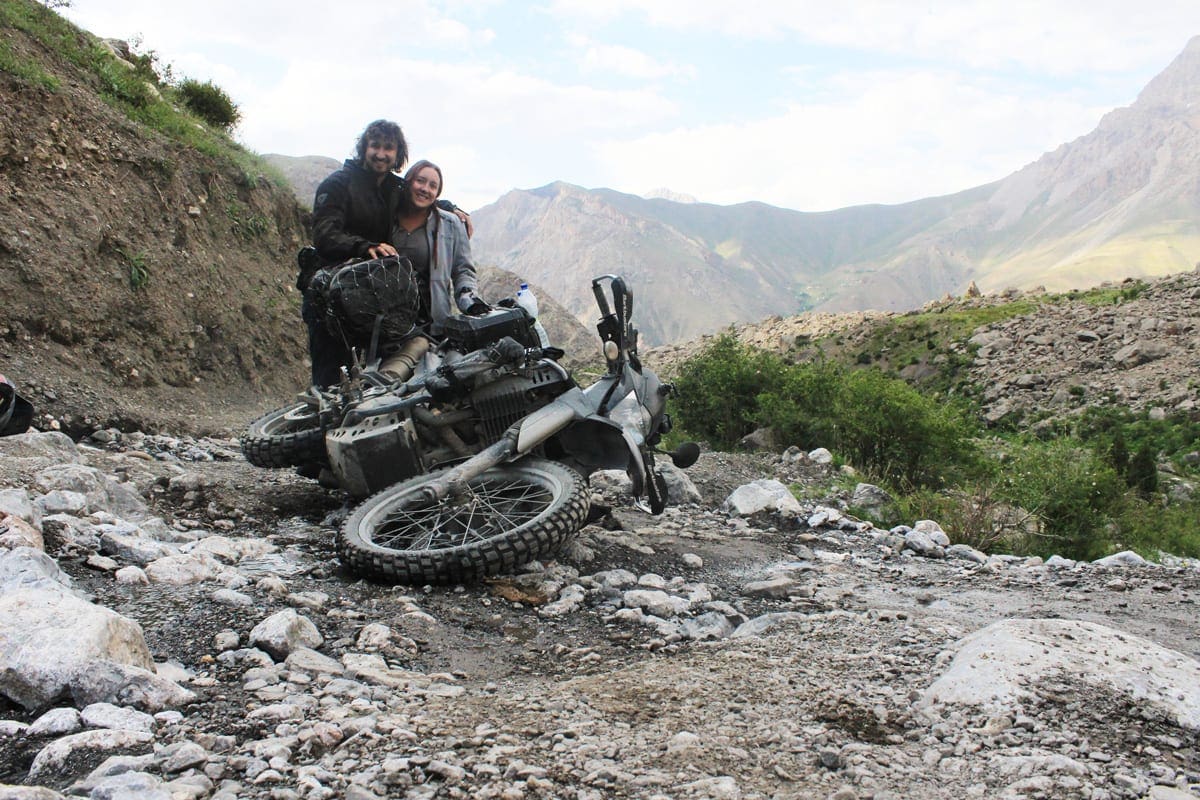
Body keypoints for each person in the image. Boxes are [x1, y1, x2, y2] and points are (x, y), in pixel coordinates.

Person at [303, 120, 472, 387]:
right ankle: (317, 428)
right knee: (330, 379)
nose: (381, 154)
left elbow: (423, 197)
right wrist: (363, 247)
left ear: (398, 154)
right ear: (364, 148)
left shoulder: (393, 188)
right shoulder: (338, 184)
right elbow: (324, 235)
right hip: (329, 300)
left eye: (388, 148)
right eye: (375, 146)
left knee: (371, 379)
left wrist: (455, 209)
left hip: (370, 302)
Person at [377, 159, 488, 381]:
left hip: (433, 324)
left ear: (437, 193)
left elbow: (463, 270)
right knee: (386, 383)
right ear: (409, 181)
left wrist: (469, 300)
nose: (425, 189)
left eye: (432, 186)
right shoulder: (383, 218)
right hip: (386, 328)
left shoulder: (450, 224)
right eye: (420, 181)